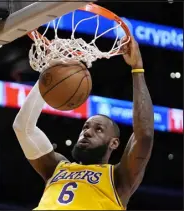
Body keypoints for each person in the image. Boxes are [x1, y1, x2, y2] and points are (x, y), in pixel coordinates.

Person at [13, 37, 154, 210]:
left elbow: (145, 135)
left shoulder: (118, 178)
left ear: (114, 142)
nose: (87, 132)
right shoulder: (56, 167)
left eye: (99, 129)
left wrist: (137, 68)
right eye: (85, 127)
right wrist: (51, 74)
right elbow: (23, 128)